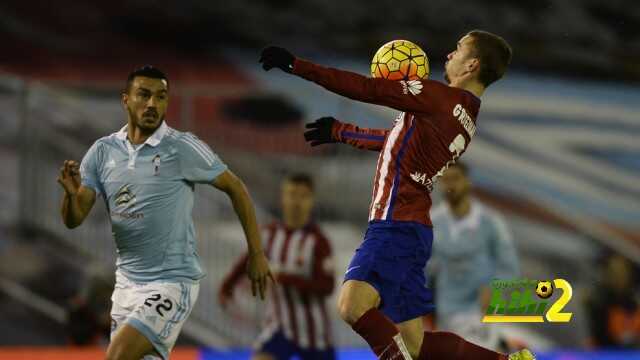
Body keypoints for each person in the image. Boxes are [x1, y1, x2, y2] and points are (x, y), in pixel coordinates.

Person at [259, 30, 533, 360]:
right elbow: (396, 141)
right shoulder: (464, 115)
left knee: (352, 305)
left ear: (472, 64)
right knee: (415, 343)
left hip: (395, 225)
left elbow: (366, 88)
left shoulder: (438, 99)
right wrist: (341, 131)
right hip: (413, 230)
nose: (449, 55)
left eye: (458, 49)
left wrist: (295, 65)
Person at [57, 65, 273, 360]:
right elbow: (74, 219)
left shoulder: (181, 147)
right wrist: (70, 196)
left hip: (171, 282)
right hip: (126, 287)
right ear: (125, 100)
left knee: (117, 356)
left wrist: (257, 254)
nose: (152, 104)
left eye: (160, 97)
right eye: (144, 95)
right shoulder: (102, 152)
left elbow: (236, 188)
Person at [219, 173, 336, 360]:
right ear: (282, 198)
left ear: (311, 201)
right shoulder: (269, 235)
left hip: (315, 334)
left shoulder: (319, 242)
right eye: (291, 194)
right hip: (280, 327)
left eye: (303, 196)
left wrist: (284, 277)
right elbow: (247, 260)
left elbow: (326, 287)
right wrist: (227, 286)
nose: (296, 202)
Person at [428, 162, 519, 351]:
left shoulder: (491, 222)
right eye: (445, 181)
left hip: (482, 311)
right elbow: (424, 268)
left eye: (455, 179)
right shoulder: (432, 222)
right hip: (447, 312)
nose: (450, 185)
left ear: (468, 182)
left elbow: (509, 267)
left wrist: (494, 291)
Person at [585, 253, 640, 349]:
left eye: (623, 272)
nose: (619, 277)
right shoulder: (598, 303)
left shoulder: (634, 302)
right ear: (607, 275)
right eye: (614, 273)